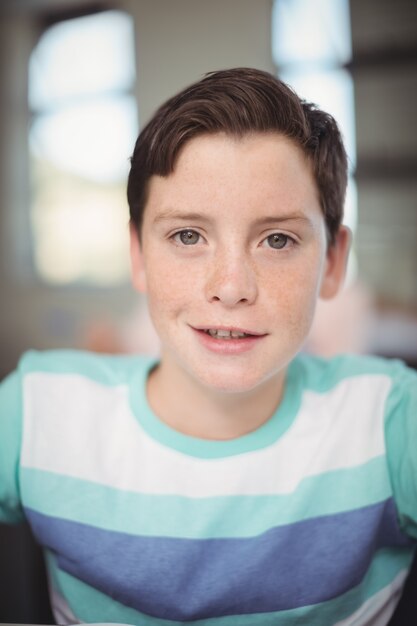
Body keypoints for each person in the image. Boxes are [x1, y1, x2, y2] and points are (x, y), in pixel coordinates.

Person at [0, 67, 416, 626]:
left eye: (277, 239)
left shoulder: (390, 425)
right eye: (188, 236)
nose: (231, 288)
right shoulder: (39, 411)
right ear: (139, 257)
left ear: (333, 262)